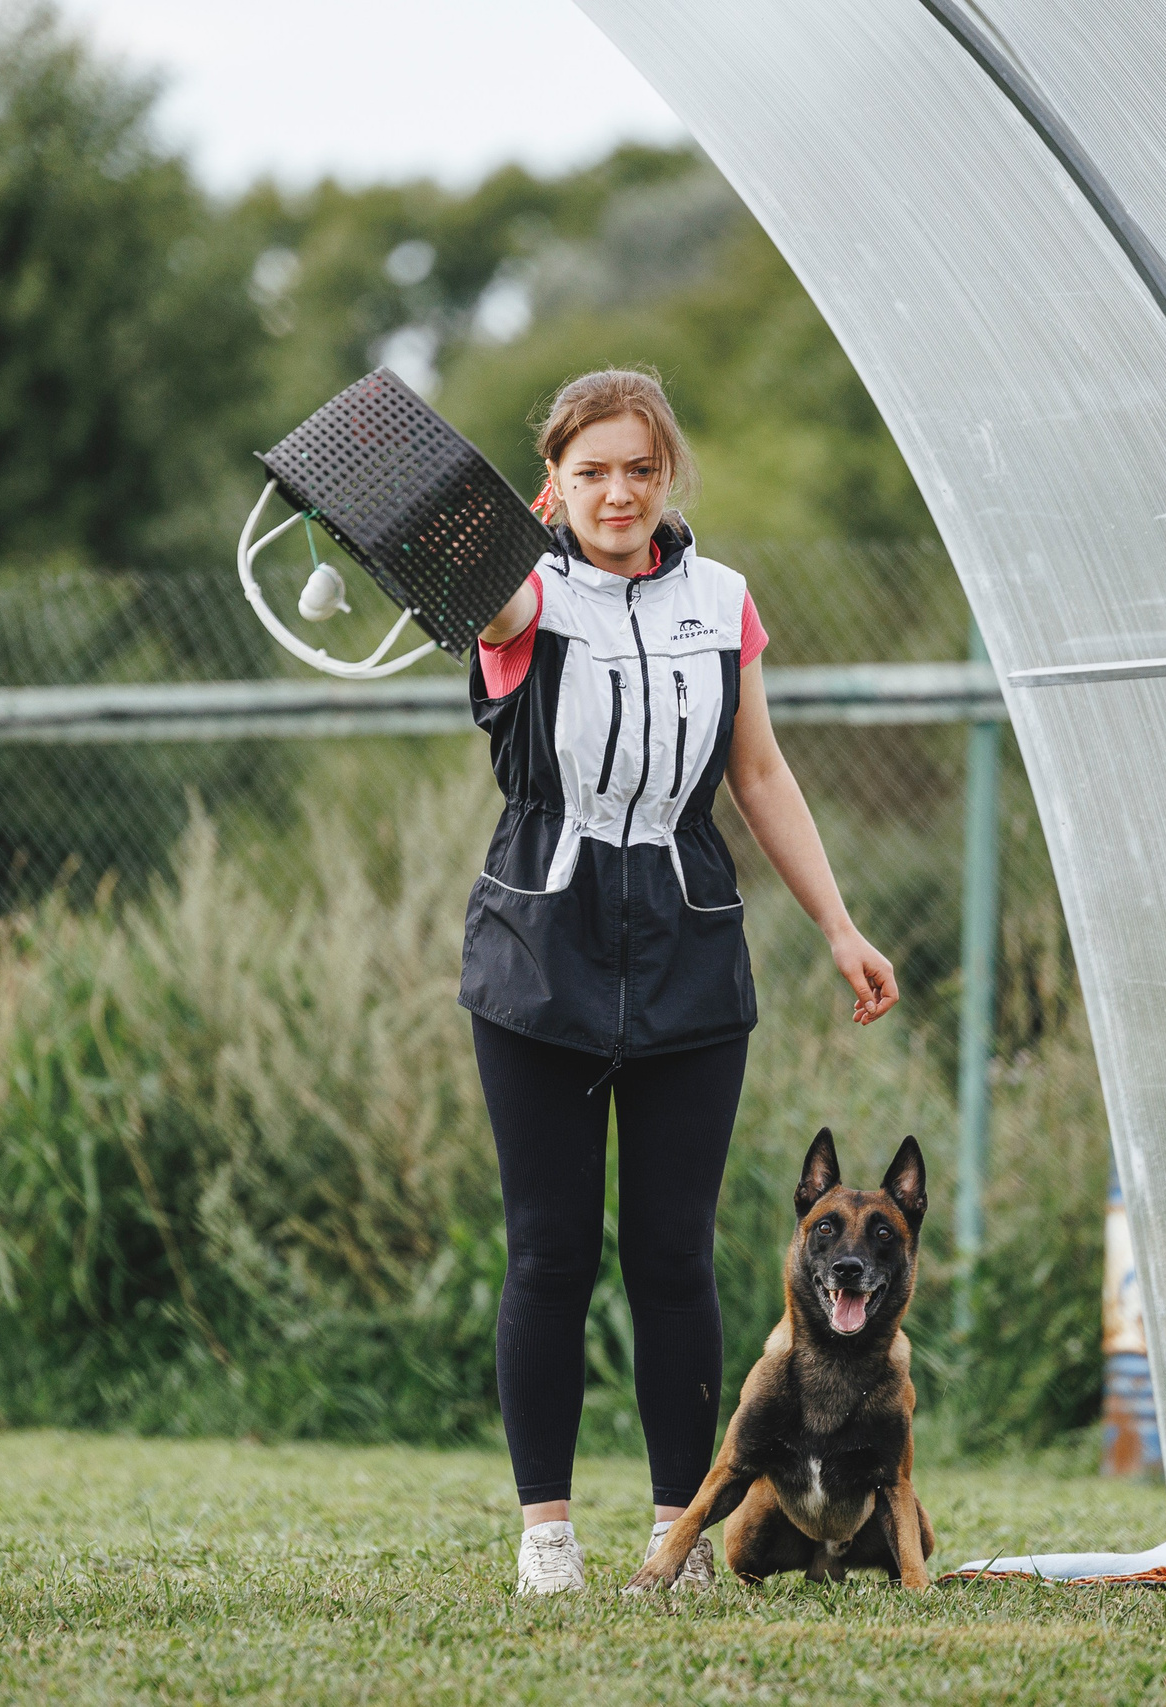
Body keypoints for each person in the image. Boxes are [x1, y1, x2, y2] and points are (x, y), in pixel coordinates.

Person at [461, 367, 900, 1594]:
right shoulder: (522, 600)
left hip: (689, 948)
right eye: (590, 471)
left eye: (638, 470)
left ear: (669, 477)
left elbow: (757, 775)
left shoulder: (725, 602)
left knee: (672, 1258)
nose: (616, 492)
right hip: (537, 947)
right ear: (552, 484)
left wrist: (838, 926)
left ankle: (677, 1531)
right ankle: (546, 1534)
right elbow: (481, 597)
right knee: (549, 1254)